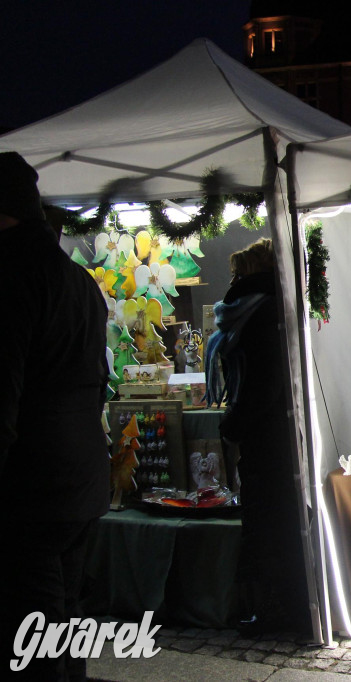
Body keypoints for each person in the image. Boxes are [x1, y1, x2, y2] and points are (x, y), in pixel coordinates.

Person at [0, 151, 110, 680]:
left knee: (34, 633)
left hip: (31, 483)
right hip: (80, 473)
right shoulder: (78, 280)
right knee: (63, 623)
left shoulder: (12, 276)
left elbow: (2, 394)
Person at [205, 238, 309, 635]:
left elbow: (261, 385)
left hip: (268, 440)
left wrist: (234, 422)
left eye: (237, 271)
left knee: (269, 526)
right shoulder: (267, 308)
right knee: (273, 524)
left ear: (251, 272)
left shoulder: (259, 313)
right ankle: (277, 607)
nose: (232, 279)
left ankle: (274, 611)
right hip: (274, 438)